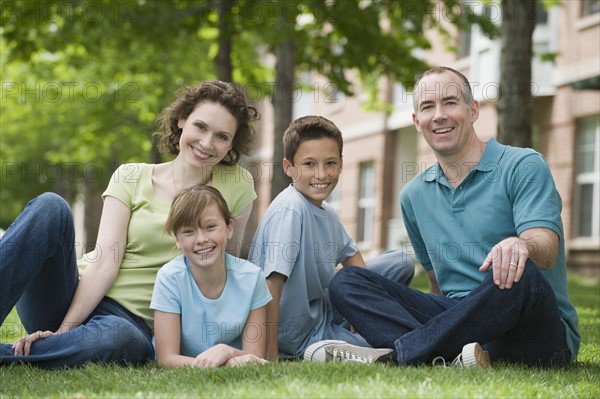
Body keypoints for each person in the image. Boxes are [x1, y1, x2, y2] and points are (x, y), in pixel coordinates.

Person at [304, 67, 580, 368]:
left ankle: (403, 353)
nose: (439, 115)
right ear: (416, 121)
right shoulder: (413, 196)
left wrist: (520, 245)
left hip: (531, 330)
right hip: (462, 328)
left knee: (521, 271)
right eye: (427, 107)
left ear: (473, 110)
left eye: (450, 102)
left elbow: (546, 246)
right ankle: (450, 356)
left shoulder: (523, 165)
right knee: (347, 282)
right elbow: (437, 286)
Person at [0, 80, 260, 368]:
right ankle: (59, 344)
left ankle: (18, 353)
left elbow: (227, 270)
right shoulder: (131, 176)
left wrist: (229, 348)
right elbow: (104, 263)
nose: (207, 143)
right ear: (182, 120)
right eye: (200, 127)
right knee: (51, 206)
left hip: (131, 324)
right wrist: (64, 330)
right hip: (71, 296)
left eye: (222, 136)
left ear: (232, 143)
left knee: (121, 337)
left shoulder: (237, 184)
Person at [248, 115, 415, 360]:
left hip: (324, 309)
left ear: (340, 164)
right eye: (309, 164)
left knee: (400, 262)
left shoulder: (327, 212)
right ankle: (324, 347)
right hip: (297, 334)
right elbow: (271, 286)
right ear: (288, 168)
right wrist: (269, 356)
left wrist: (361, 310)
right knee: (388, 347)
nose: (321, 174)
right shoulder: (291, 210)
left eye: (330, 163)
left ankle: (357, 328)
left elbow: (352, 255)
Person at [151, 185, 271, 368]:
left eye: (210, 227)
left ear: (229, 227)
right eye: (188, 231)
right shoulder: (169, 279)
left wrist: (227, 350)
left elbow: (255, 356)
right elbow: (166, 358)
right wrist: (227, 363)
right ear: (177, 239)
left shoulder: (253, 278)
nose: (201, 239)